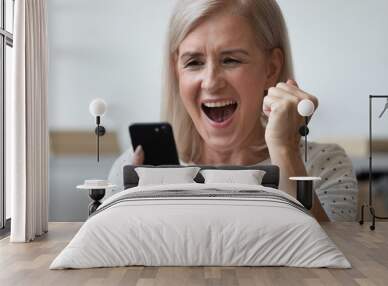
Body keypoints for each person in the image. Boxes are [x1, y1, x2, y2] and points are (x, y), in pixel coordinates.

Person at [108, 0, 358, 222]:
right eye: (194, 62)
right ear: (176, 70)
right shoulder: (132, 165)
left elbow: (335, 260)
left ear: (271, 67)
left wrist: (285, 150)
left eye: (231, 60)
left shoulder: (323, 164)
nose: (211, 82)